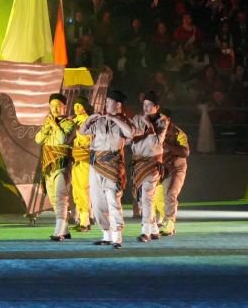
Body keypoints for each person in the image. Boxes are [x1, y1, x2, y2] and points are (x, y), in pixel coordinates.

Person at [79, 89, 137, 249]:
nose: (105, 104)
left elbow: (131, 132)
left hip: (113, 164)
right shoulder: (99, 121)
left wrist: (114, 118)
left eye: (108, 102)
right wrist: (91, 118)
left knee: (112, 199)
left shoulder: (125, 121)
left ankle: (117, 236)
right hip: (96, 164)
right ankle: (106, 234)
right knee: (97, 203)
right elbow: (82, 131)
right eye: (105, 102)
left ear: (118, 105)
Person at [34, 93, 76, 241]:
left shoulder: (69, 123)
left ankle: (58, 232)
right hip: (49, 164)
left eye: (58, 106)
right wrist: (47, 127)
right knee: (53, 198)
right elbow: (38, 139)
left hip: (62, 163)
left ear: (64, 107)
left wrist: (54, 125)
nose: (55, 109)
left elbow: (62, 139)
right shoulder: (49, 123)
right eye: (52, 106)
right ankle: (64, 230)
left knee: (60, 196)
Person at [130, 91, 169, 242]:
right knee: (141, 198)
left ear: (157, 107)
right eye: (144, 105)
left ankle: (145, 230)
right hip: (138, 163)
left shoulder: (163, 121)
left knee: (147, 196)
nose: (145, 108)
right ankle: (153, 229)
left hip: (152, 164)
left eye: (149, 105)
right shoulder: (136, 118)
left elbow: (156, 142)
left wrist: (147, 124)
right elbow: (131, 138)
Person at [158, 111, 190, 236]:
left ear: (169, 119)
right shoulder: (155, 131)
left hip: (177, 168)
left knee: (171, 193)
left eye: (162, 118)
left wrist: (166, 145)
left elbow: (185, 152)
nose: (159, 121)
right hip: (162, 168)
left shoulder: (178, 133)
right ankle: (160, 222)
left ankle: (169, 225)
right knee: (159, 196)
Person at [70, 96, 93, 232]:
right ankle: (80, 218)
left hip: (85, 157)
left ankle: (86, 221)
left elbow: (90, 139)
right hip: (76, 158)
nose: (76, 108)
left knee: (84, 188)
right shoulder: (73, 121)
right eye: (75, 105)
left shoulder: (89, 121)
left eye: (79, 105)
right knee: (76, 189)